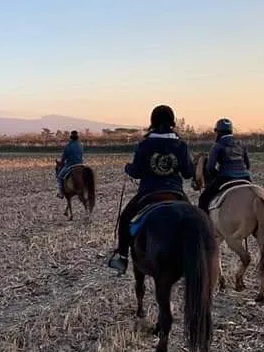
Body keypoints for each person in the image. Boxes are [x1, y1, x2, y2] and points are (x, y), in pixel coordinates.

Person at [108, 105, 194, 274]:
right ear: (172, 121)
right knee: (193, 221)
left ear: (152, 121)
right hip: (176, 192)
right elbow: (188, 173)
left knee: (125, 219)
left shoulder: (144, 144)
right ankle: (195, 257)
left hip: (149, 192)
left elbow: (137, 172)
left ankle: (122, 258)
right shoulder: (181, 145)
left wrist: (128, 168)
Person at [198, 118, 252, 213]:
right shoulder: (241, 144)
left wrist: (216, 175)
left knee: (203, 199)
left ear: (218, 132)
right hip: (245, 178)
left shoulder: (217, 145)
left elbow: (210, 167)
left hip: (226, 178)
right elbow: (247, 165)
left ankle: (205, 224)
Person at [56, 130, 84, 197]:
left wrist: (60, 162)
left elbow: (63, 158)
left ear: (70, 138)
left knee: (59, 177)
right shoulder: (80, 145)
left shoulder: (68, 146)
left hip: (71, 165)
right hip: (80, 164)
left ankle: (61, 193)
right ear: (77, 138)